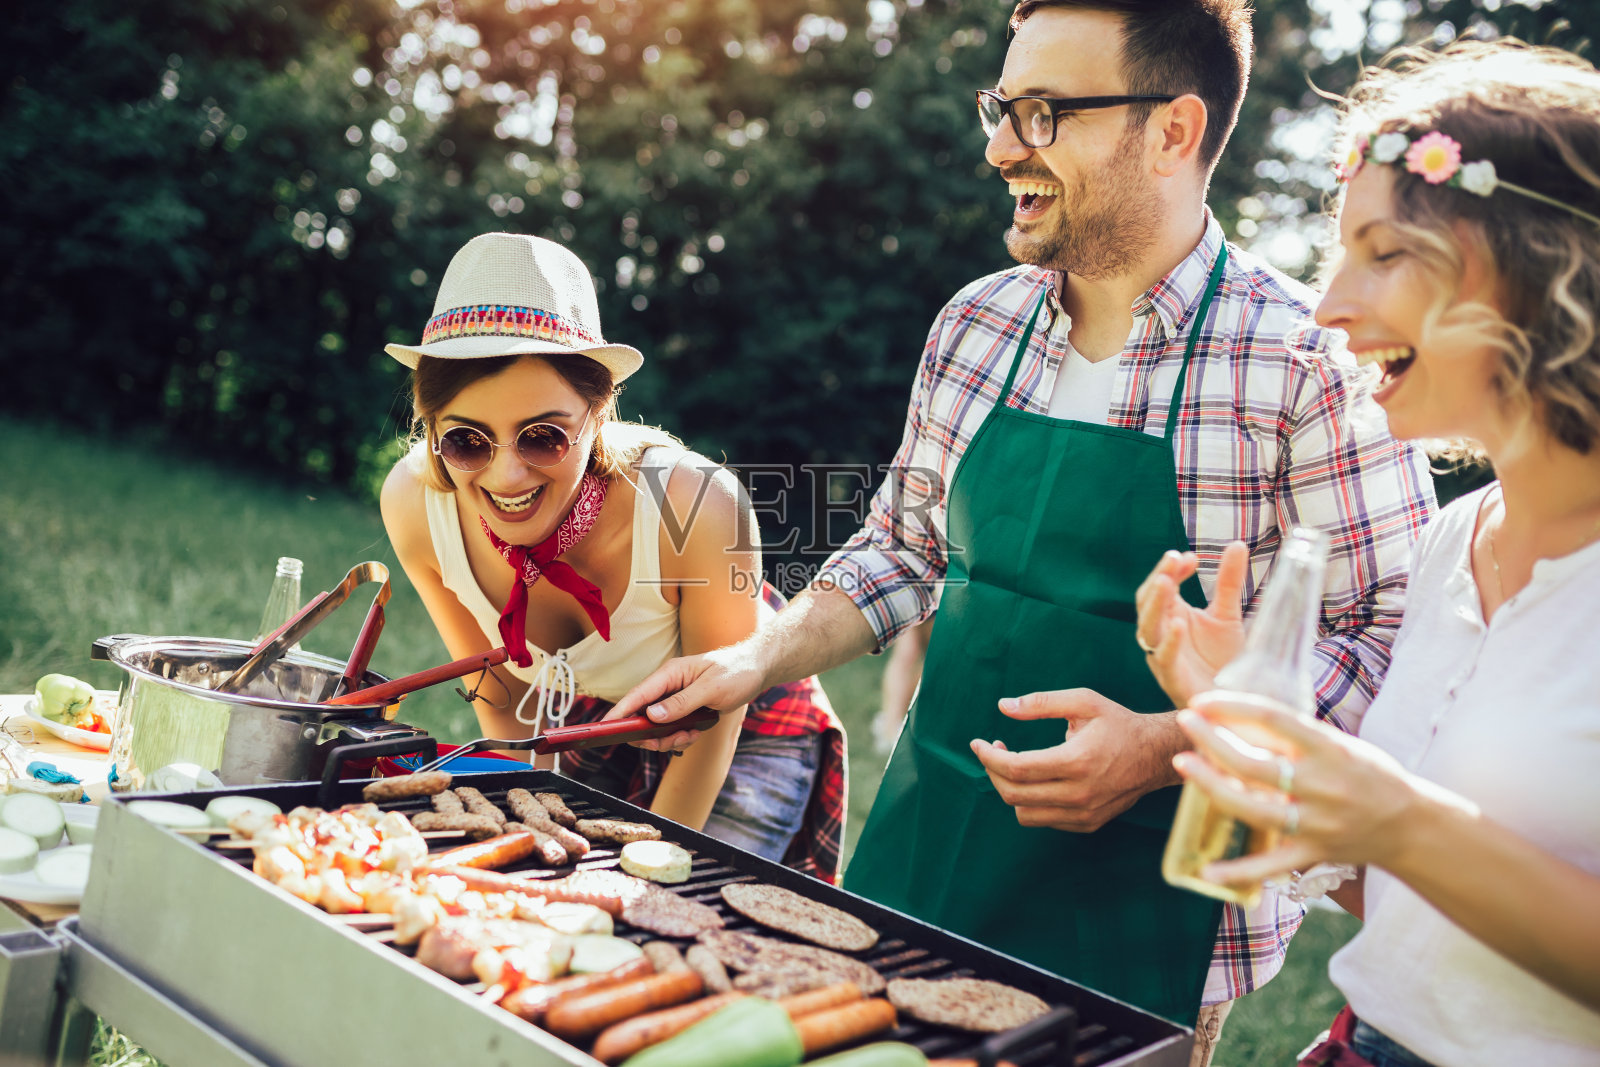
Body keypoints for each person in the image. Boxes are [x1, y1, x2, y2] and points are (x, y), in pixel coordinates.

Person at [609, 0, 1436, 1042]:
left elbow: (1391, 639)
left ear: (1173, 131)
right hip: (933, 853)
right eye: (1000, 108)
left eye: (1044, 112)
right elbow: (903, 548)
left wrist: (1164, 745)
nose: (1001, 148)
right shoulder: (974, 323)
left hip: (1158, 913)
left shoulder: (1307, 361)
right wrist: (753, 658)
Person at [1148, 40, 1600, 1067]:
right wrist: (1263, 733)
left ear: (1545, 268)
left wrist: (1400, 821)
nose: (1327, 306)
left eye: (1384, 253)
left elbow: (1416, 837)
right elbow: (1411, 905)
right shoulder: (1450, 541)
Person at [379, 232, 846, 881]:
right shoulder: (415, 505)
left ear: (599, 412)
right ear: (430, 425)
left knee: (671, 907)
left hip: (736, 727)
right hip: (583, 721)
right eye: (466, 441)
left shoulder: (700, 503)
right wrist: (527, 823)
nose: (506, 476)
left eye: (543, 436)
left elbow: (716, 716)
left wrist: (646, 876)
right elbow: (500, 695)